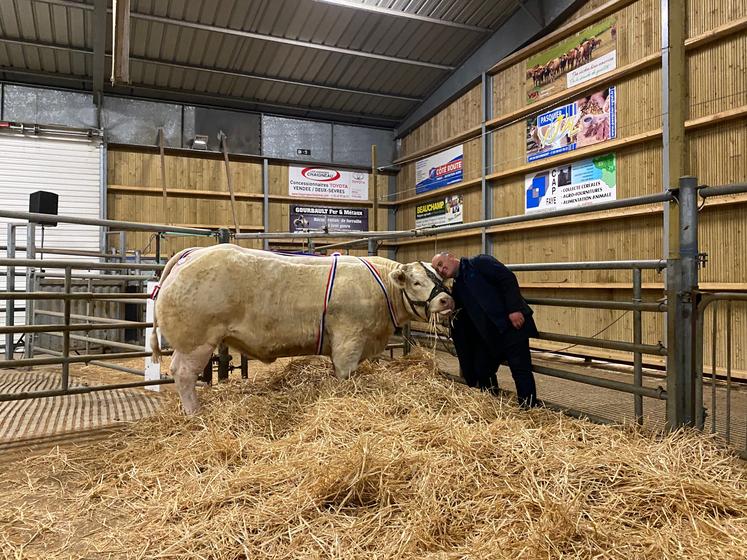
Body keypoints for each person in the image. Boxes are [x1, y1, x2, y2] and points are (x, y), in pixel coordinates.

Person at [431, 252, 539, 408]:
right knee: (482, 369)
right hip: (491, 336)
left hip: (512, 327)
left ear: (451, 256)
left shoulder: (480, 263)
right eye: (437, 269)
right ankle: (491, 405)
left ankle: (528, 409)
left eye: (441, 263)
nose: (441, 270)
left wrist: (514, 309)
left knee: (520, 370)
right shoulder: (457, 286)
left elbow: (507, 278)